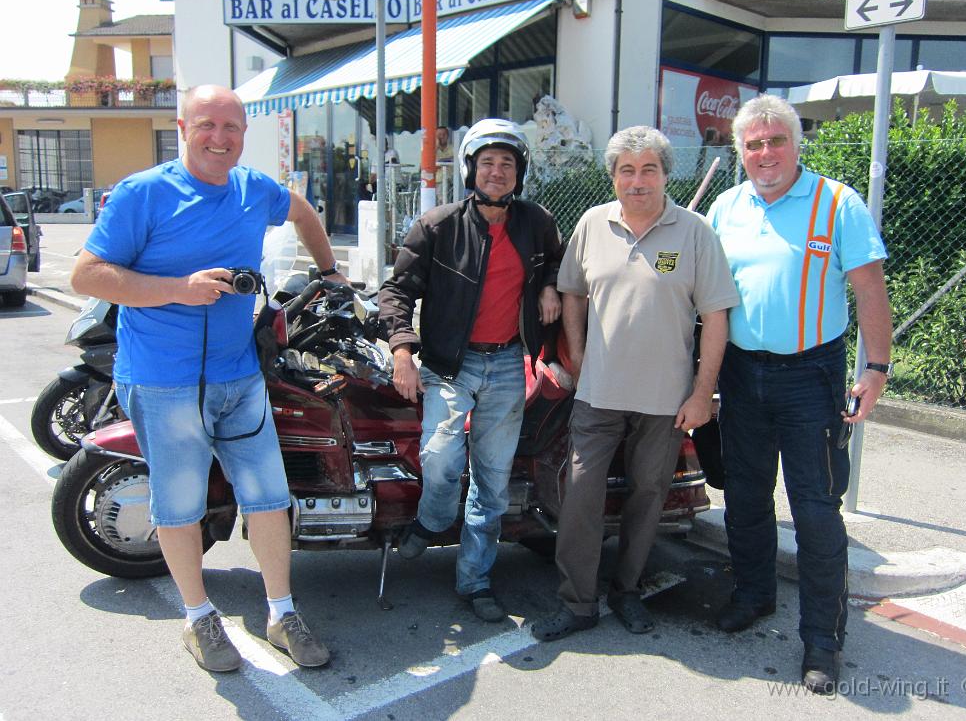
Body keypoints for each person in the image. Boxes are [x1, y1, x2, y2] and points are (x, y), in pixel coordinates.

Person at [70, 84, 347, 673]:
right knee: (180, 506)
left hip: (240, 374)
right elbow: (86, 276)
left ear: (245, 134)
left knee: (271, 499)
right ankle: (198, 619)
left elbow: (302, 212)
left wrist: (331, 274)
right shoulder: (142, 194)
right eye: (207, 125)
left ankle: (281, 611)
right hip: (163, 380)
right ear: (182, 127)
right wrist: (180, 289)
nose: (220, 139)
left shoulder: (254, 190)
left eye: (232, 128)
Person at [705, 94, 892, 695]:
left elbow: (869, 289)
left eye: (775, 140)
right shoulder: (724, 207)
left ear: (796, 143)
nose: (765, 153)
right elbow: (683, 282)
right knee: (746, 497)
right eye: (753, 144)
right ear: (740, 150)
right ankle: (754, 595)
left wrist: (877, 368)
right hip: (738, 373)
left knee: (814, 511)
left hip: (810, 377)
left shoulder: (839, 202)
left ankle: (822, 640)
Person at [532, 125, 739, 642]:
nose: (638, 180)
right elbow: (572, 291)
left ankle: (627, 591)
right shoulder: (592, 223)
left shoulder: (694, 232)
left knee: (649, 494)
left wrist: (701, 392)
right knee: (581, 493)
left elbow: (716, 316)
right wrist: (578, 354)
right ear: (613, 176)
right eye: (627, 169)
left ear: (666, 175)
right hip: (598, 392)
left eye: (649, 169)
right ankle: (578, 602)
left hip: (666, 401)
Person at [379, 118, 562, 622]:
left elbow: (557, 266)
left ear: (519, 171)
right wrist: (401, 350)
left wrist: (548, 285)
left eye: (506, 163)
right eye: (487, 163)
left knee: (492, 479)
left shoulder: (536, 222)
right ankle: (432, 519)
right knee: (439, 457)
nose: (497, 172)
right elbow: (396, 291)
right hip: (447, 365)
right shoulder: (437, 225)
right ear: (470, 169)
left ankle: (476, 579)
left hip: (507, 361)